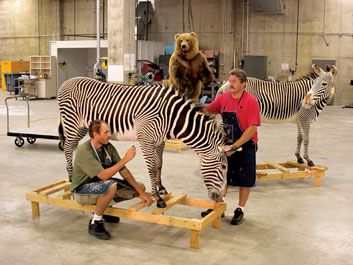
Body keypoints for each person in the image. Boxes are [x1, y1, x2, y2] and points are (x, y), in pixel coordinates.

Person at [71, 120, 152, 240]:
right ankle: (95, 223)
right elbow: (103, 176)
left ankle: (103, 210)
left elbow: (124, 172)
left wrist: (141, 193)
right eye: (106, 132)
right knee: (110, 186)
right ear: (95, 134)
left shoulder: (108, 147)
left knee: (139, 187)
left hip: (100, 185)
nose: (110, 135)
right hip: (82, 189)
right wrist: (125, 159)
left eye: (109, 131)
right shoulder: (84, 151)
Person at [201, 68, 261, 225]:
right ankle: (218, 207)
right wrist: (193, 107)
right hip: (227, 144)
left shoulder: (251, 101)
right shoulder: (224, 98)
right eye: (230, 80)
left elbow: (252, 128)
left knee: (245, 179)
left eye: (234, 81)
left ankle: (240, 209)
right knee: (222, 177)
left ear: (243, 84)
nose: (230, 84)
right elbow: (209, 110)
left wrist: (235, 146)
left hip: (246, 144)